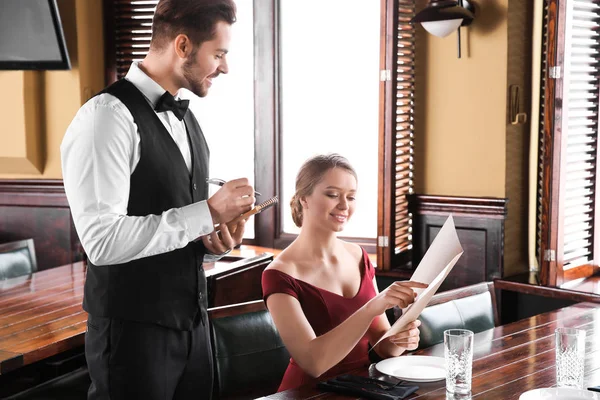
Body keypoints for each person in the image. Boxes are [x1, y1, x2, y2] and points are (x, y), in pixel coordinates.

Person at [60, 0, 254, 398]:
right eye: (218, 54)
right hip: (132, 335)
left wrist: (214, 242)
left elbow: (180, 225)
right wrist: (208, 210)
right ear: (182, 46)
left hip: (193, 327)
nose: (226, 67)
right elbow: (101, 241)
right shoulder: (105, 117)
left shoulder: (189, 119)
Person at [261, 154, 427, 391]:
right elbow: (313, 363)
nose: (344, 205)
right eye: (332, 195)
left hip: (361, 387)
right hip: (309, 393)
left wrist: (401, 338)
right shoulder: (279, 274)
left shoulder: (359, 256)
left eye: (351, 197)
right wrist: (371, 307)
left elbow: (383, 347)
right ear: (303, 199)